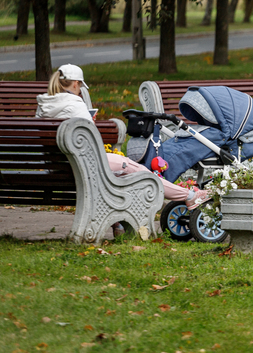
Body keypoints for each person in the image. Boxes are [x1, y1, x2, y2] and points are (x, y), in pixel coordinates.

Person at [35, 65, 209, 236]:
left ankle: (120, 224)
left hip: (58, 166)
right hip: (85, 164)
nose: (80, 90)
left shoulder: (44, 105)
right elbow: (89, 138)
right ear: (74, 84)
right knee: (143, 174)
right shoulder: (75, 103)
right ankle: (189, 195)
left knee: (131, 171)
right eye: (80, 86)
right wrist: (91, 121)